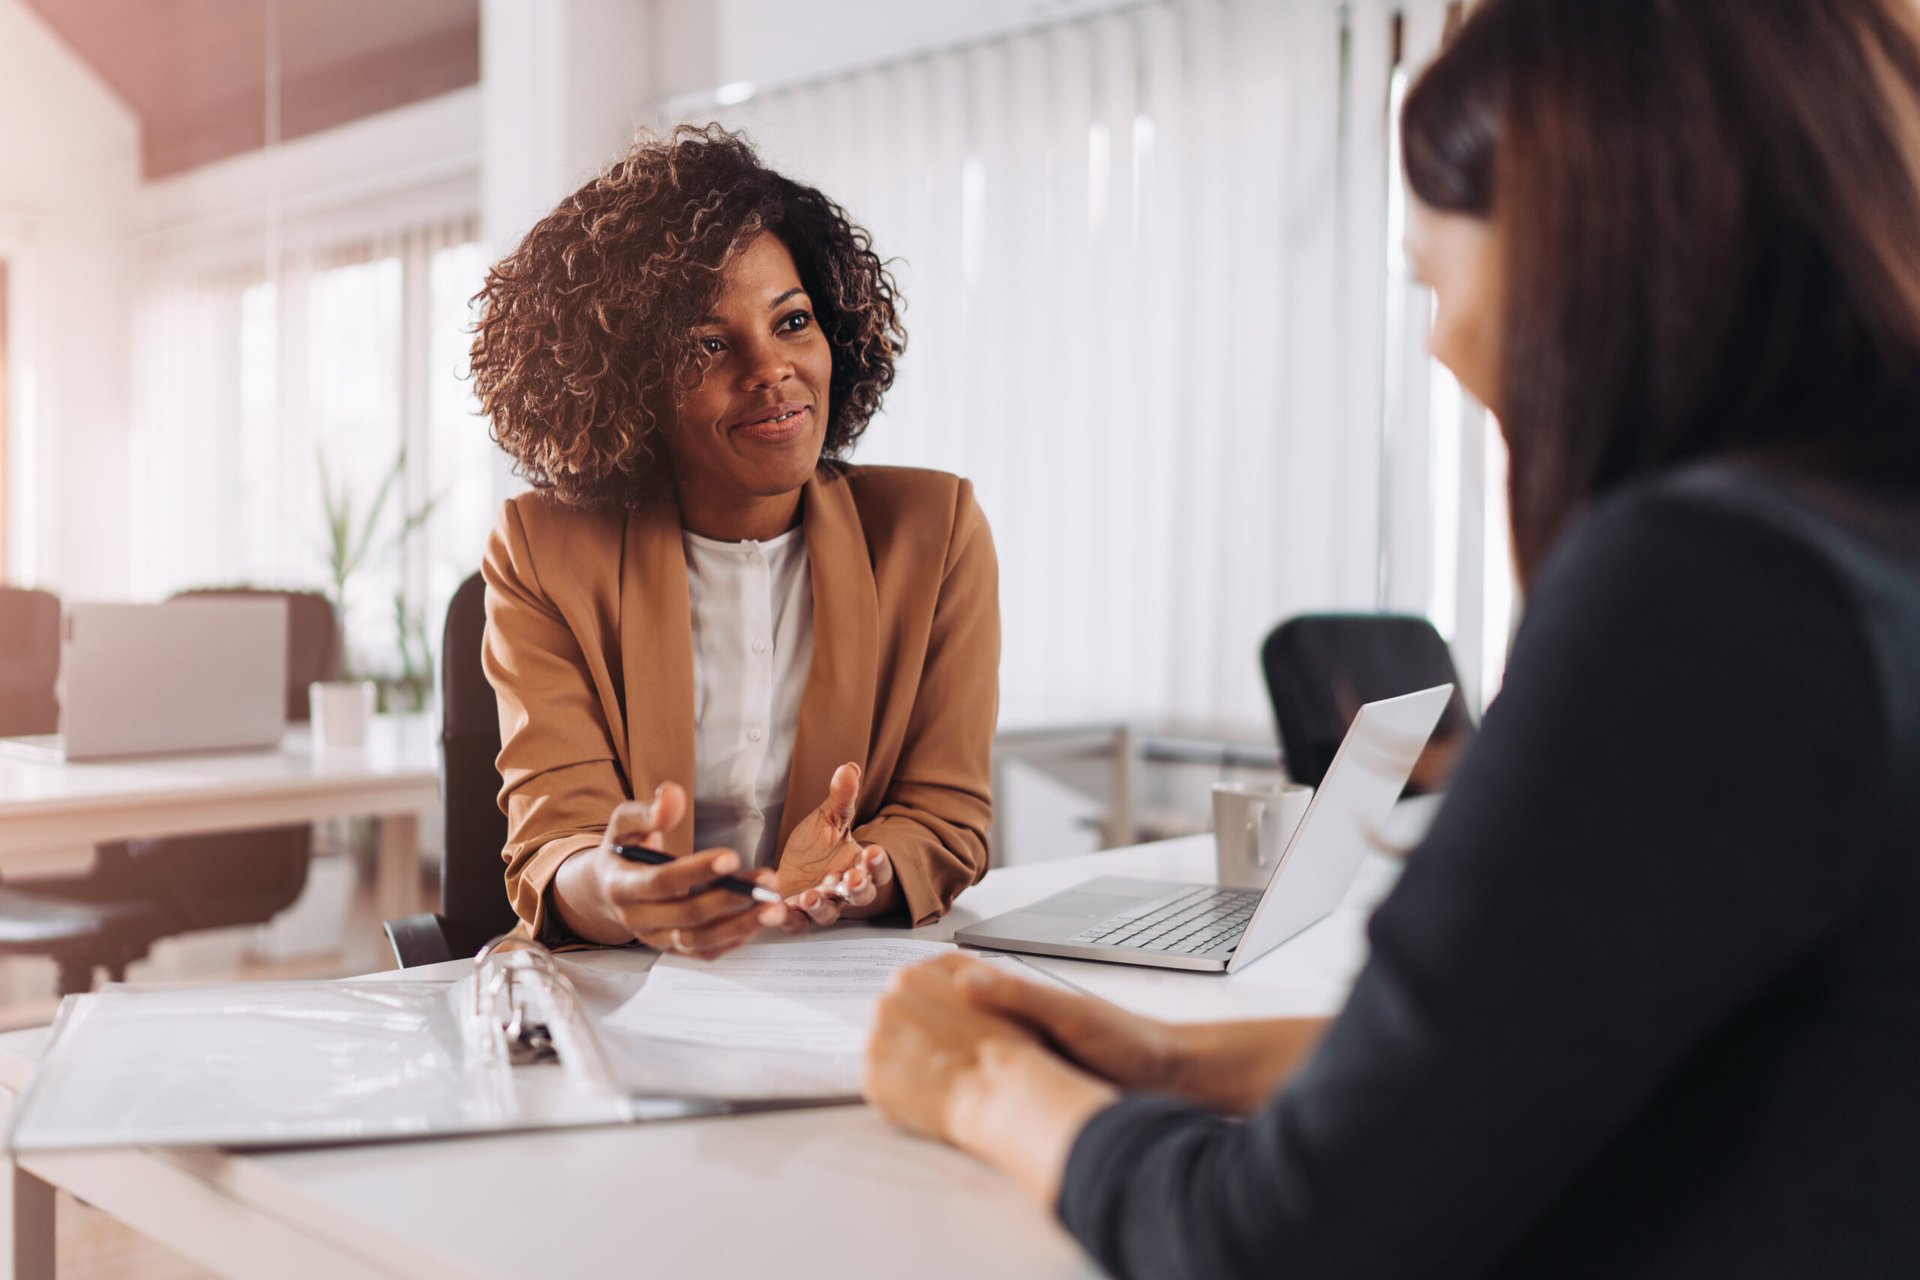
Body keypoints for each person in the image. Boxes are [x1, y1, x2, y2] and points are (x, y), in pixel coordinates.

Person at [863, 0, 1920, 1275]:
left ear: (1582, 246)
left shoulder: (1715, 591)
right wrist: (1166, 1057)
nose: (1442, 347)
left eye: (1432, 278)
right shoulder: (1859, 548)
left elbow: (1286, 1242)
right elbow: (1542, 1052)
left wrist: (982, 1087)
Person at [469, 125, 998, 957]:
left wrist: (863, 875)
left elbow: (948, 813)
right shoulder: (543, 549)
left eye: (792, 321)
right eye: (709, 345)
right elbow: (556, 842)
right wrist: (622, 891)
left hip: (842, 982)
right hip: (623, 987)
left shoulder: (933, 533)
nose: (770, 369)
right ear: (628, 383)